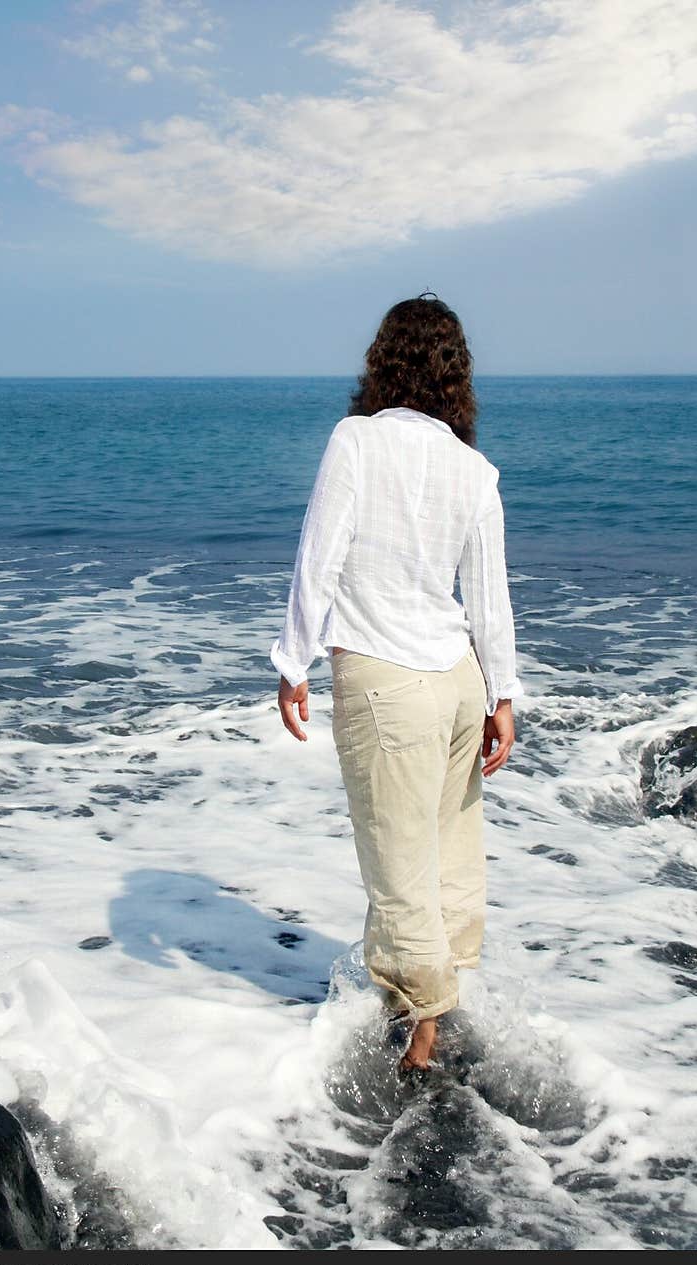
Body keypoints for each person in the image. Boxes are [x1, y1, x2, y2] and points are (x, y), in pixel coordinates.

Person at [269, 293, 524, 1073]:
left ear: (383, 361)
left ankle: (422, 1038)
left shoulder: (356, 441)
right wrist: (504, 696)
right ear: (457, 379)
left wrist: (293, 660)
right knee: (449, 856)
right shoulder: (473, 468)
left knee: (397, 861)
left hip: (385, 678)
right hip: (455, 680)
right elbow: (488, 595)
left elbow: (322, 555)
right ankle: (422, 1013)